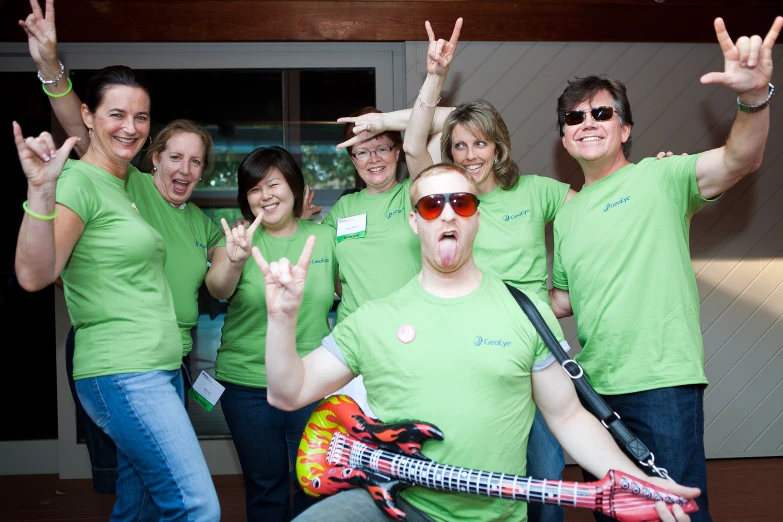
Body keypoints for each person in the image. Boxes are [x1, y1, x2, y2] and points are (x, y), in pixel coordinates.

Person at [251, 163, 698, 522]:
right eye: (431, 205)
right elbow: (287, 392)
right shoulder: (373, 319)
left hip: (496, 514)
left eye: (460, 202)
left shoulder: (527, 312)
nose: (447, 214)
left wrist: (638, 480)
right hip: (402, 504)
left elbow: (567, 417)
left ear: (476, 217)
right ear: (414, 221)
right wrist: (281, 318)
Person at [549, 16, 782, 522]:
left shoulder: (662, 176)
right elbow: (565, 300)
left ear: (624, 129)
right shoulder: (566, 215)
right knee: (616, 512)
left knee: (674, 512)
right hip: (595, 386)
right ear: (565, 139)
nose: (586, 122)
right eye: (574, 118)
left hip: (661, 383)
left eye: (601, 112)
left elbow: (740, 158)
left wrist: (754, 96)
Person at [13, 62, 219, 521]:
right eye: (117, 115)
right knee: (197, 506)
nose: (130, 127)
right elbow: (35, 273)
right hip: (125, 371)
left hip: (160, 367)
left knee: (140, 504)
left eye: (141, 117)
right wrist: (41, 193)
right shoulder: (80, 181)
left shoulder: (124, 185)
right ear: (89, 116)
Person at [205, 146, 336, 522]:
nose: (265, 195)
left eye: (273, 183)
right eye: (254, 188)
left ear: (295, 187)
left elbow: (351, 293)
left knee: (315, 485)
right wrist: (233, 260)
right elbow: (217, 289)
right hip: (247, 386)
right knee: (265, 487)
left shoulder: (325, 238)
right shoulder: (237, 239)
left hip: (311, 382)